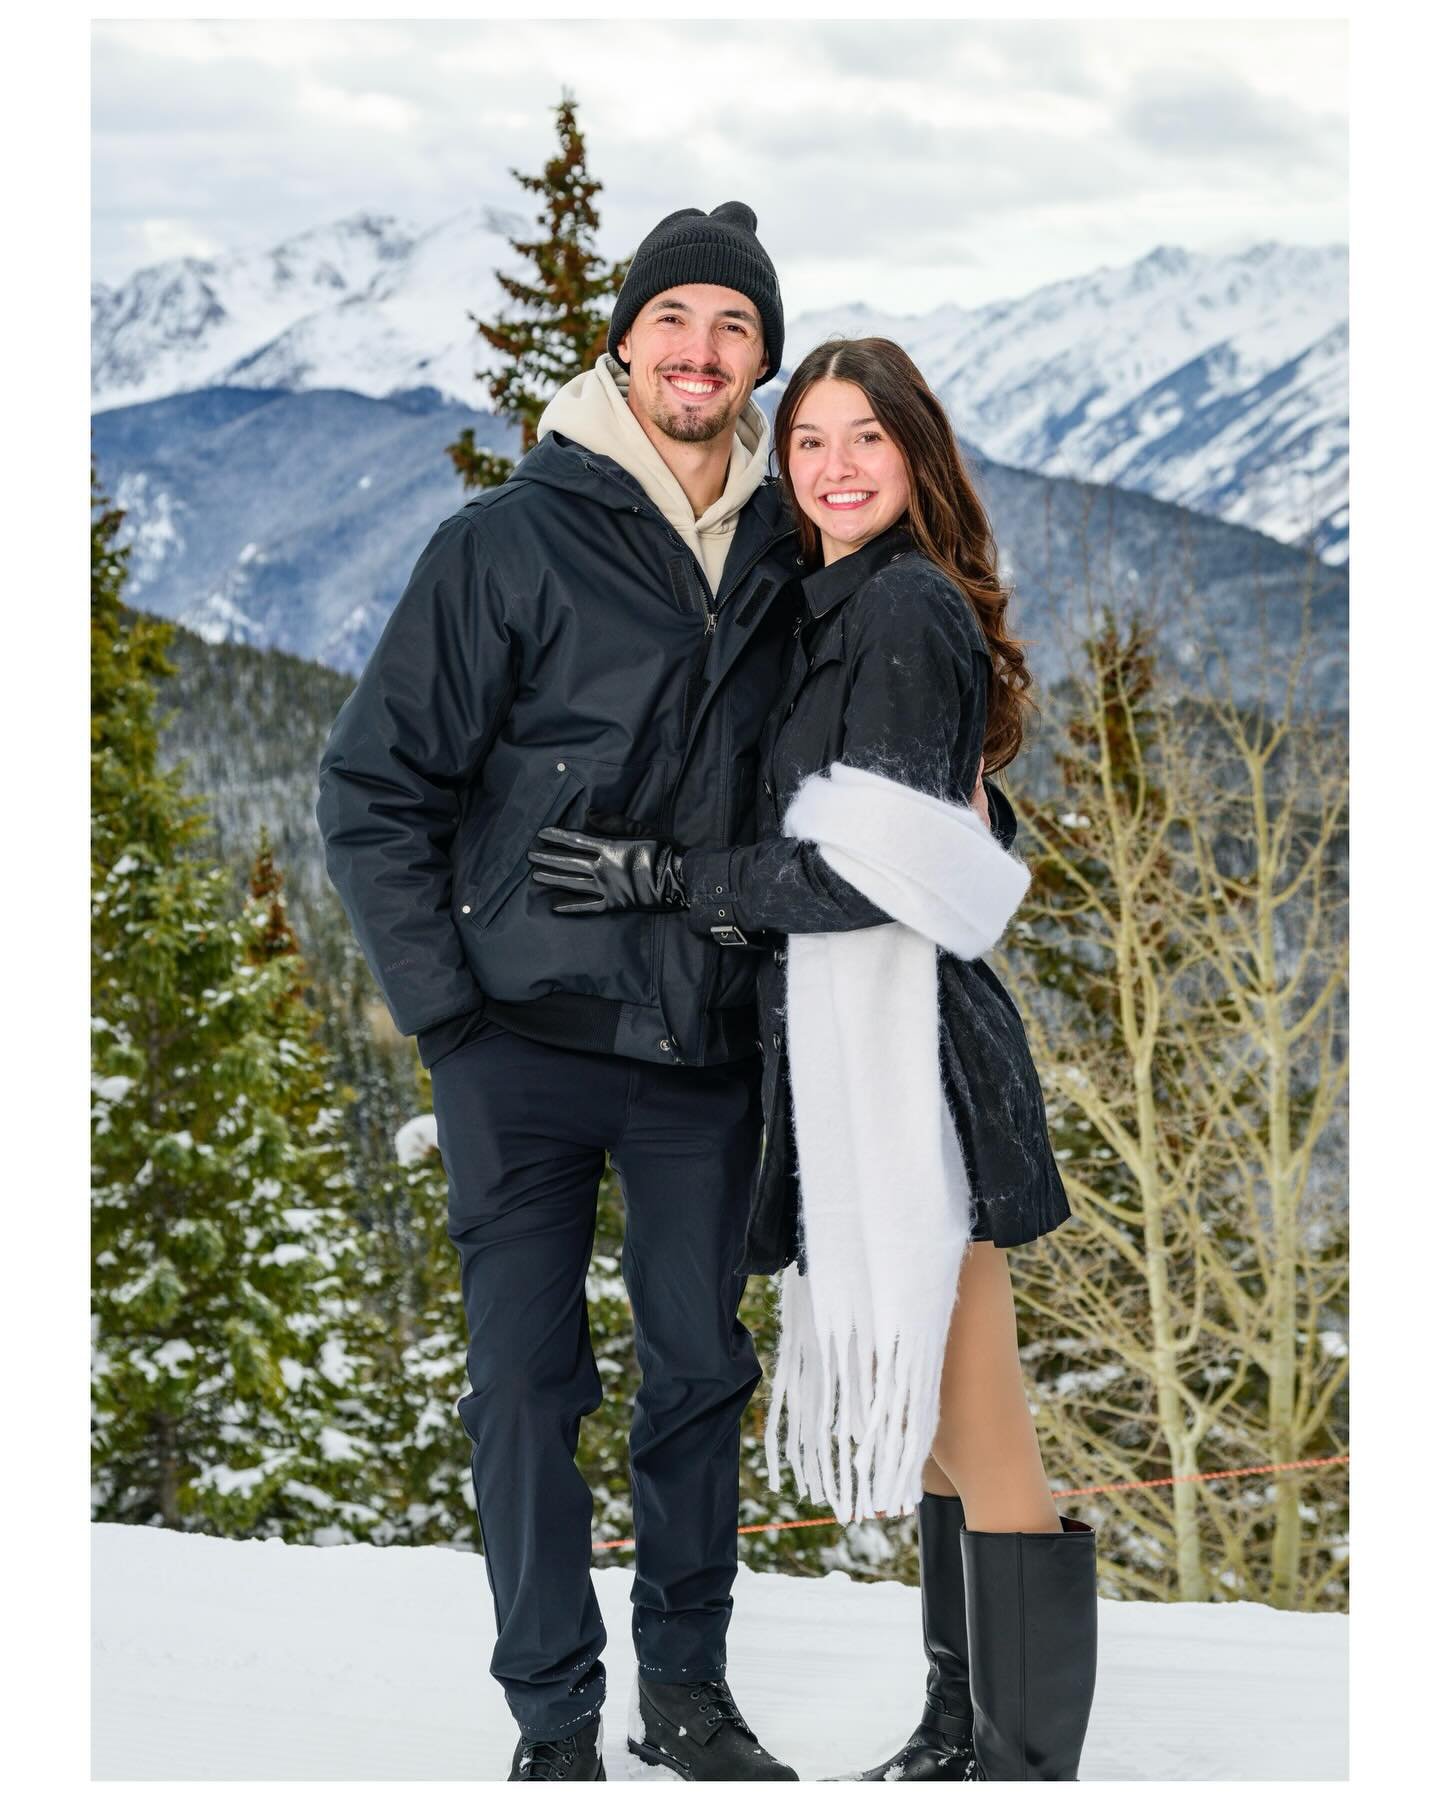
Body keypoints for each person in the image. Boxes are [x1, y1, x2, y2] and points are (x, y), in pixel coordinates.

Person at [527, 336, 1101, 1782]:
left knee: (977, 1427)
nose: (836, 467)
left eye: (867, 440)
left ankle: (1018, 1759)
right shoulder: (841, 600)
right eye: (814, 442)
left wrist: (669, 878)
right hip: (869, 1064)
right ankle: (960, 1729)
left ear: (917, 459)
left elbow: (874, 880)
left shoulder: (902, 610)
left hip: (922, 1080)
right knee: (927, 1428)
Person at [318, 202, 821, 1782]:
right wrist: (446, 1015)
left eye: (734, 327)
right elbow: (370, 788)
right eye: (676, 318)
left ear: (762, 361)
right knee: (526, 1385)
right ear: (623, 342)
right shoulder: (505, 542)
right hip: (517, 1045)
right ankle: (553, 1720)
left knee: (697, 1373)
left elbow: (871, 747)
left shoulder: (796, 555)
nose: (702, 350)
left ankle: (687, 1695)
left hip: (701, 1043)